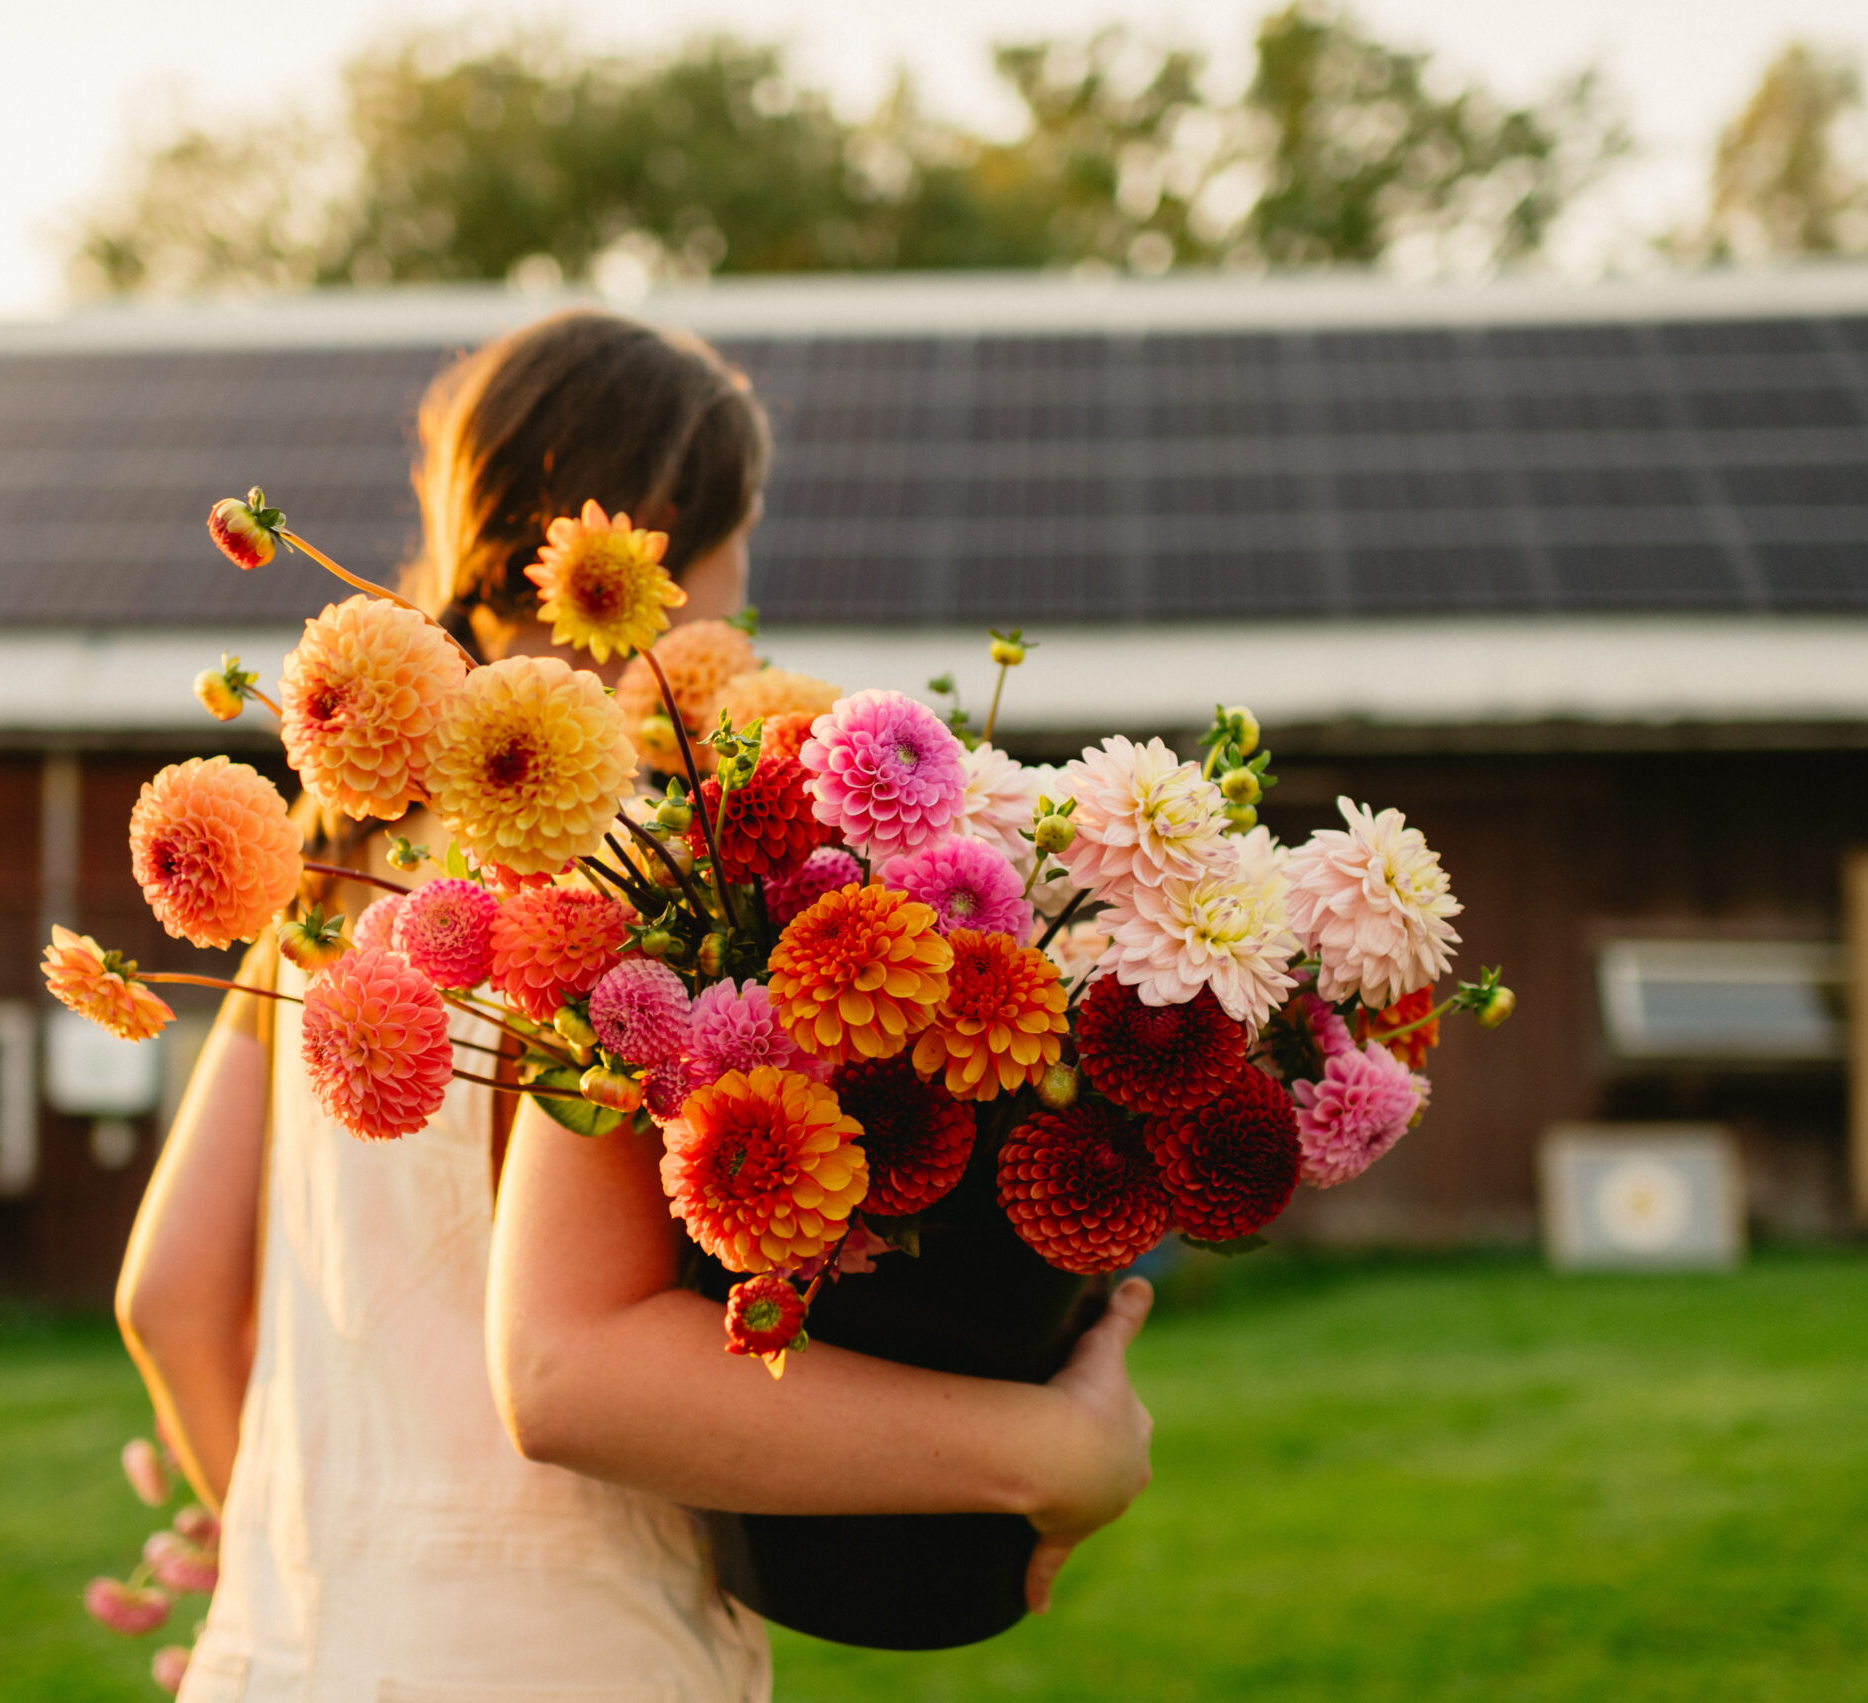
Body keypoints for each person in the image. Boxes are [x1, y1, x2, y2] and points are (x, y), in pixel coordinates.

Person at [117, 309, 1154, 1703]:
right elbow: (571, 1374)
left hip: (284, 1661)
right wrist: (1050, 1455)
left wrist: (338, 1580)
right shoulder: (631, 875)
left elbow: (169, 1297)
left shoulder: (327, 880)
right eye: (741, 555)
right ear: (662, 537)